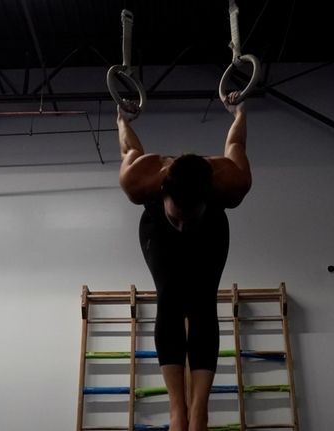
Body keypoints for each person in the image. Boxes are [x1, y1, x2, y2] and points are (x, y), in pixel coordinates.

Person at [117, 92, 252, 431]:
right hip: (155, 229)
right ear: (162, 192)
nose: (183, 226)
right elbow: (129, 149)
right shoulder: (141, 180)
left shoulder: (230, 180)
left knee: (204, 300)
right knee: (171, 297)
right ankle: (177, 409)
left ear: (208, 197)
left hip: (211, 229)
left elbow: (236, 141)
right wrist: (122, 119)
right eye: (177, 217)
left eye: (187, 219)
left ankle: (199, 411)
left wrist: (238, 112)